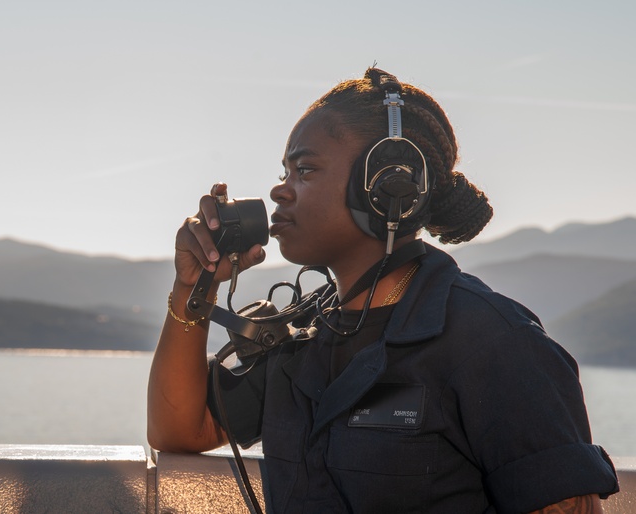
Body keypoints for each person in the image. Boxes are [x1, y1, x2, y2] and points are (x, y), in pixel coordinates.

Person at [147, 68, 619, 513]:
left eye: (305, 170)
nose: (280, 191)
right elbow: (179, 429)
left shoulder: (495, 343)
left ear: (388, 184)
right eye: (283, 172)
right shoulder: (299, 341)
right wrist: (195, 287)